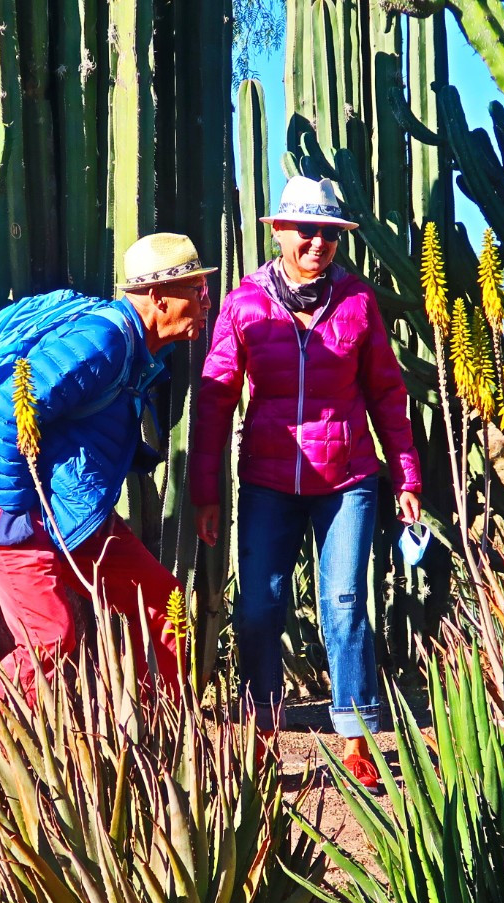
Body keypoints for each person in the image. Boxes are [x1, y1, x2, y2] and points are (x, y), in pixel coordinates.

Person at [191, 177, 422, 787]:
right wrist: (205, 493)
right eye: (307, 232)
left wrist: (406, 475)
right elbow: (214, 401)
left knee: (345, 605)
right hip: (268, 480)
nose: (318, 244)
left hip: (348, 480)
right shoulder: (244, 304)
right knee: (261, 605)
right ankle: (262, 734)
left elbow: (387, 395)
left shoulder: (358, 303)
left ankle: (357, 740)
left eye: (330, 234)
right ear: (280, 233)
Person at [0, 233, 215, 701]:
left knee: (162, 604)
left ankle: (158, 744)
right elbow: (10, 412)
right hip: (1, 510)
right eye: (198, 290)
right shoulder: (103, 340)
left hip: (65, 513)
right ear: (159, 297)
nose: (207, 302)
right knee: (48, 635)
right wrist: (16, 510)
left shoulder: (132, 346)